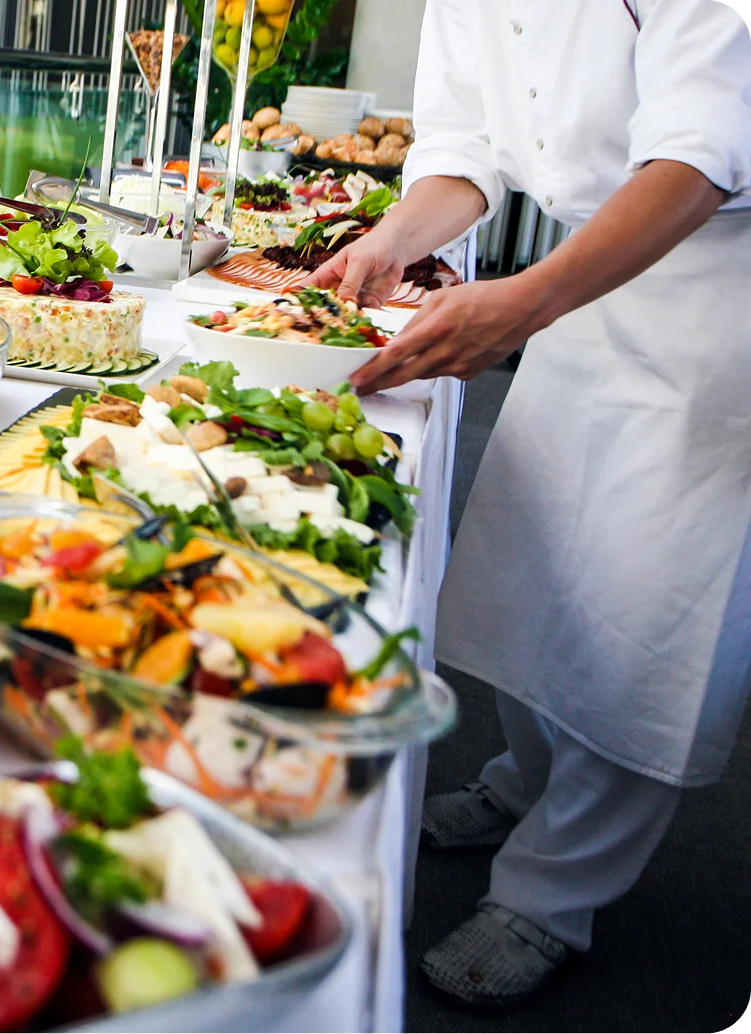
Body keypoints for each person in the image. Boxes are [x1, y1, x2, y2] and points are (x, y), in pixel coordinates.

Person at [307, 0, 751, 1013]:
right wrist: (387, 240)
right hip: (581, 293)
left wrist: (532, 296)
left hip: (718, 301)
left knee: (646, 615)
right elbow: (463, 152)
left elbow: (702, 153)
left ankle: (553, 895)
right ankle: (518, 780)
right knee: (539, 565)